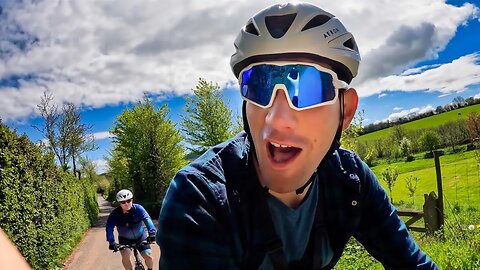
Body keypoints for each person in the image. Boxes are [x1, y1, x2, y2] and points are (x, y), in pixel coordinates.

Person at [157, 2, 439, 269]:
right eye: (258, 85)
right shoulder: (199, 196)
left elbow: (411, 263)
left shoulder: (350, 181)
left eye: (308, 88)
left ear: (345, 112)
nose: (276, 118)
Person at [106, 189, 156, 270]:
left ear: (132, 200)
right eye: (123, 202)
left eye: (128, 201)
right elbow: (109, 228)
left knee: (148, 256)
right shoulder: (115, 214)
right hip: (125, 239)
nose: (126, 204)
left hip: (141, 237)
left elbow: (147, 219)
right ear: (119, 203)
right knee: (126, 258)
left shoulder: (138, 209)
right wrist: (111, 241)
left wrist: (152, 233)